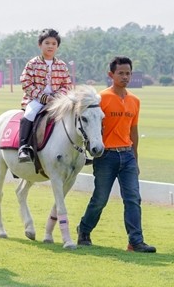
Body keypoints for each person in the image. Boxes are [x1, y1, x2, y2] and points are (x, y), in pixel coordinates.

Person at [77, 57, 156, 253]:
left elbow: (134, 132)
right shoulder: (100, 99)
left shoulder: (134, 101)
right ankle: (84, 230)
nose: (125, 77)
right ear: (111, 75)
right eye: (120, 73)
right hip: (106, 157)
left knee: (133, 198)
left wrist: (135, 159)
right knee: (100, 199)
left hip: (127, 155)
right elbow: (90, 125)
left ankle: (135, 241)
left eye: (128, 73)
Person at [17, 28, 73, 162]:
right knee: (29, 114)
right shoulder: (32, 63)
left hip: (58, 101)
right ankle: (23, 148)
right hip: (36, 100)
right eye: (47, 43)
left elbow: (67, 85)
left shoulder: (62, 65)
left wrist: (57, 97)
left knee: (75, 115)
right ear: (40, 45)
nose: (50, 46)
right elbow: (26, 82)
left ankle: (79, 151)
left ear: (57, 46)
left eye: (54, 44)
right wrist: (44, 97)